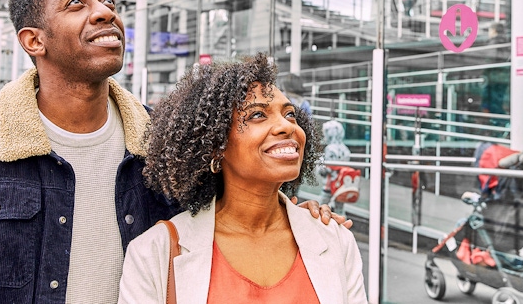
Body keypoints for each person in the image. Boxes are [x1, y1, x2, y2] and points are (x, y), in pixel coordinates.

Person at [0, 0, 346, 302]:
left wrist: (301, 218)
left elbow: (237, 211)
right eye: (76, 3)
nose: (105, 12)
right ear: (33, 40)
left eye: (109, 1)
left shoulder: (162, 144)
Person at [118, 54, 367, 303]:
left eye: (290, 114)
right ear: (215, 146)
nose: (287, 126)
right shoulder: (154, 253)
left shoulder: (335, 239)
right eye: (258, 115)